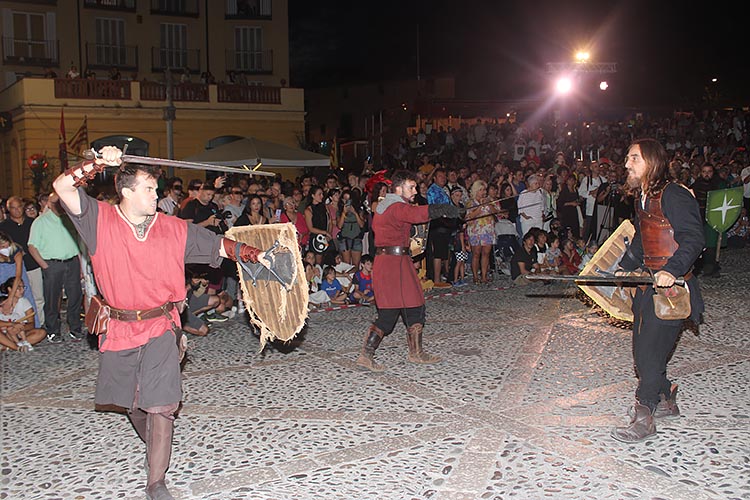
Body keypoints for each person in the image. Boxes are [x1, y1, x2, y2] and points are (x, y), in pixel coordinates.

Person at [52, 146, 266, 499]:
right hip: (120, 328)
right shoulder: (98, 220)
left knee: (161, 404)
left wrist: (255, 255)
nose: (156, 195)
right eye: (149, 189)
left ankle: (156, 482)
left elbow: (218, 246)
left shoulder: (171, 227)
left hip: (162, 325)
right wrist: (97, 163)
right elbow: (62, 187)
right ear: (127, 191)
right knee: (132, 403)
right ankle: (155, 442)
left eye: (156, 188)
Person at [611, 138, 705, 443]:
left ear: (651, 161)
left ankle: (645, 417)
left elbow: (694, 237)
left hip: (671, 290)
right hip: (648, 285)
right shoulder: (643, 197)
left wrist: (672, 270)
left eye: (634, 158)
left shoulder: (674, 194)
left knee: (648, 354)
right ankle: (666, 396)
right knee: (645, 351)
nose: (627, 164)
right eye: (628, 158)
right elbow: (643, 236)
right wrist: (626, 265)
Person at [355, 170, 460, 372]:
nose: (415, 191)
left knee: (415, 305)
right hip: (391, 265)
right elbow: (414, 214)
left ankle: (416, 353)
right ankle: (366, 356)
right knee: (388, 314)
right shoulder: (395, 206)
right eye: (411, 187)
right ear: (398, 188)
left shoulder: (390, 205)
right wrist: (441, 209)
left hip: (399, 262)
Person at [27, 194, 83, 342]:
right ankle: (53, 330)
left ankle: (75, 328)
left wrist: (80, 265)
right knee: (52, 298)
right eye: (56, 203)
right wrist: (45, 265)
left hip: (72, 262)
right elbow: (32, 246)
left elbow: (75, 242)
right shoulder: (40, 222)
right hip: (52, 264)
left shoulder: (69, 219)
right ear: (49, 205)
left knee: (75, 296)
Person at [0, 277, 46, 351]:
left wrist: (20, 327)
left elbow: (31, 324)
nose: (22, 290)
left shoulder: (24, 302)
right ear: (10, 289)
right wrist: (12, 324)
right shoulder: (2, 302)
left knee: (41, 333)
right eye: (19, 288)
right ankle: (14, 345)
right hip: (5, 333)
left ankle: (9, 345)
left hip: (20, 334)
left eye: (23, 287)